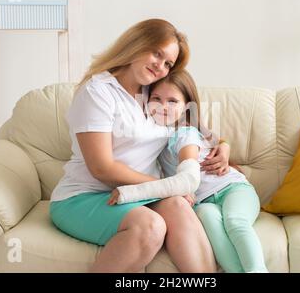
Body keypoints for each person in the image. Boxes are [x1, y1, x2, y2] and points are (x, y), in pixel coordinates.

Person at [50, 19, 232, 273]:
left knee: (179, 206)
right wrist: (166, 188)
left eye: (168, 63)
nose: (161, 66)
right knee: (152, 226)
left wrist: (223, 146)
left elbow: (192, 122)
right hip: (84, 196)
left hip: (139, 195)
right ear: (137, 43)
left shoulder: (155, 92)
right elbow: (102, 168)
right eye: (157, 53)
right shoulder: (98, 92)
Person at [108, 69, 268, 273]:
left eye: (173, 101)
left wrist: (129, 193)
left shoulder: (185, 133)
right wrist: (224, 144)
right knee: (210, 222)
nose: (163, 106)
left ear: (186, 107)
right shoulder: (154, 138)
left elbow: (188, 170)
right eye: (156, 98)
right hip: (204, 203)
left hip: (233, 189)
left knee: (235, 221)